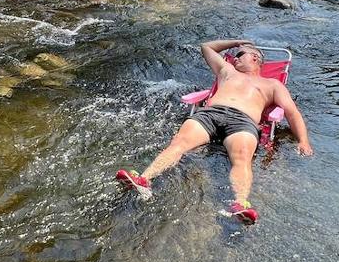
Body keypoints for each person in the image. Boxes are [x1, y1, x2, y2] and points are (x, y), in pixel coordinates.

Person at [116, 39, 313, 223]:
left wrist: (303, 141)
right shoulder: (227, 70)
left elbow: (292, 113)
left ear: (255, 58)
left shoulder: (273, 84)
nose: (234, 57)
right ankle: (144, 179)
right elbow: (206, 47)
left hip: (242, 121)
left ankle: (240, 203)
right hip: (210, 114)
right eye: (235, 54)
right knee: (179, 143)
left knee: (242, 158)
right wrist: (236, 42)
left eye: (240, 54)